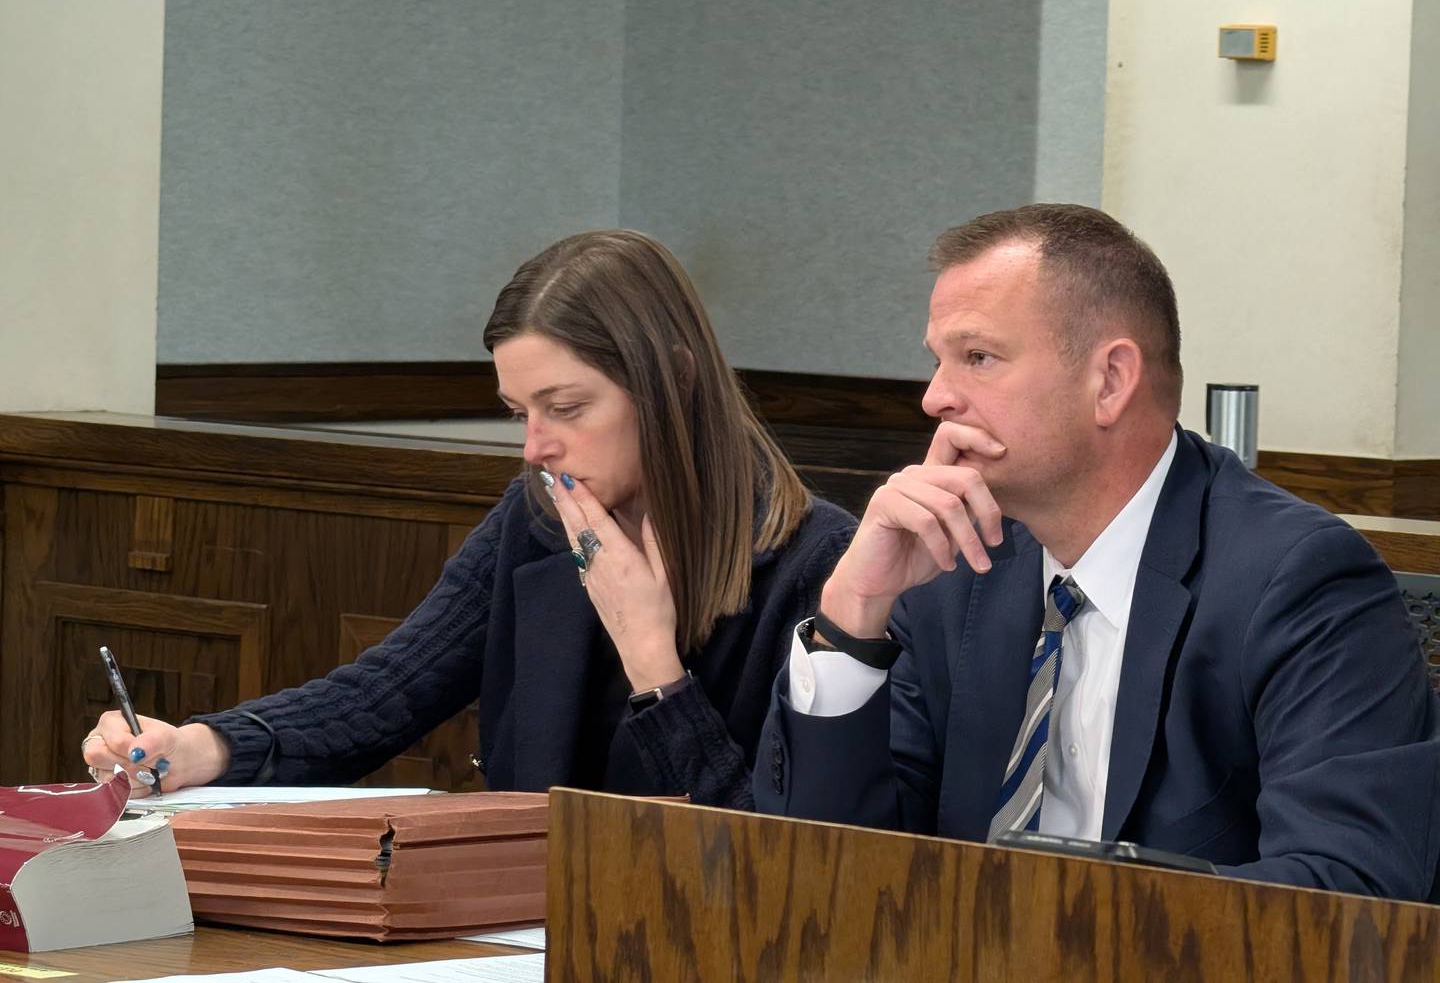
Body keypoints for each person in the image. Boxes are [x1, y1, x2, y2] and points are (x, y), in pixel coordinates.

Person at [753, 203, 1440, 899]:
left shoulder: (1299, 582)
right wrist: (852, 612)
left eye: (978, 358)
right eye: (938, 361)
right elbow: (826, 880)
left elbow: (1353, 893)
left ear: (1109, 380)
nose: (934, 398)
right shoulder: (948, 566)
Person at [83, 230, 855, 809]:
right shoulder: (538, 518)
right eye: (520, 412)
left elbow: (767, 847)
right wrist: (203, 746)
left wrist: (654, 661)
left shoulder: (816, 563)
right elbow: (385, 693)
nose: (535, 447)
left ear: (674, 381)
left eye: (567, 407)